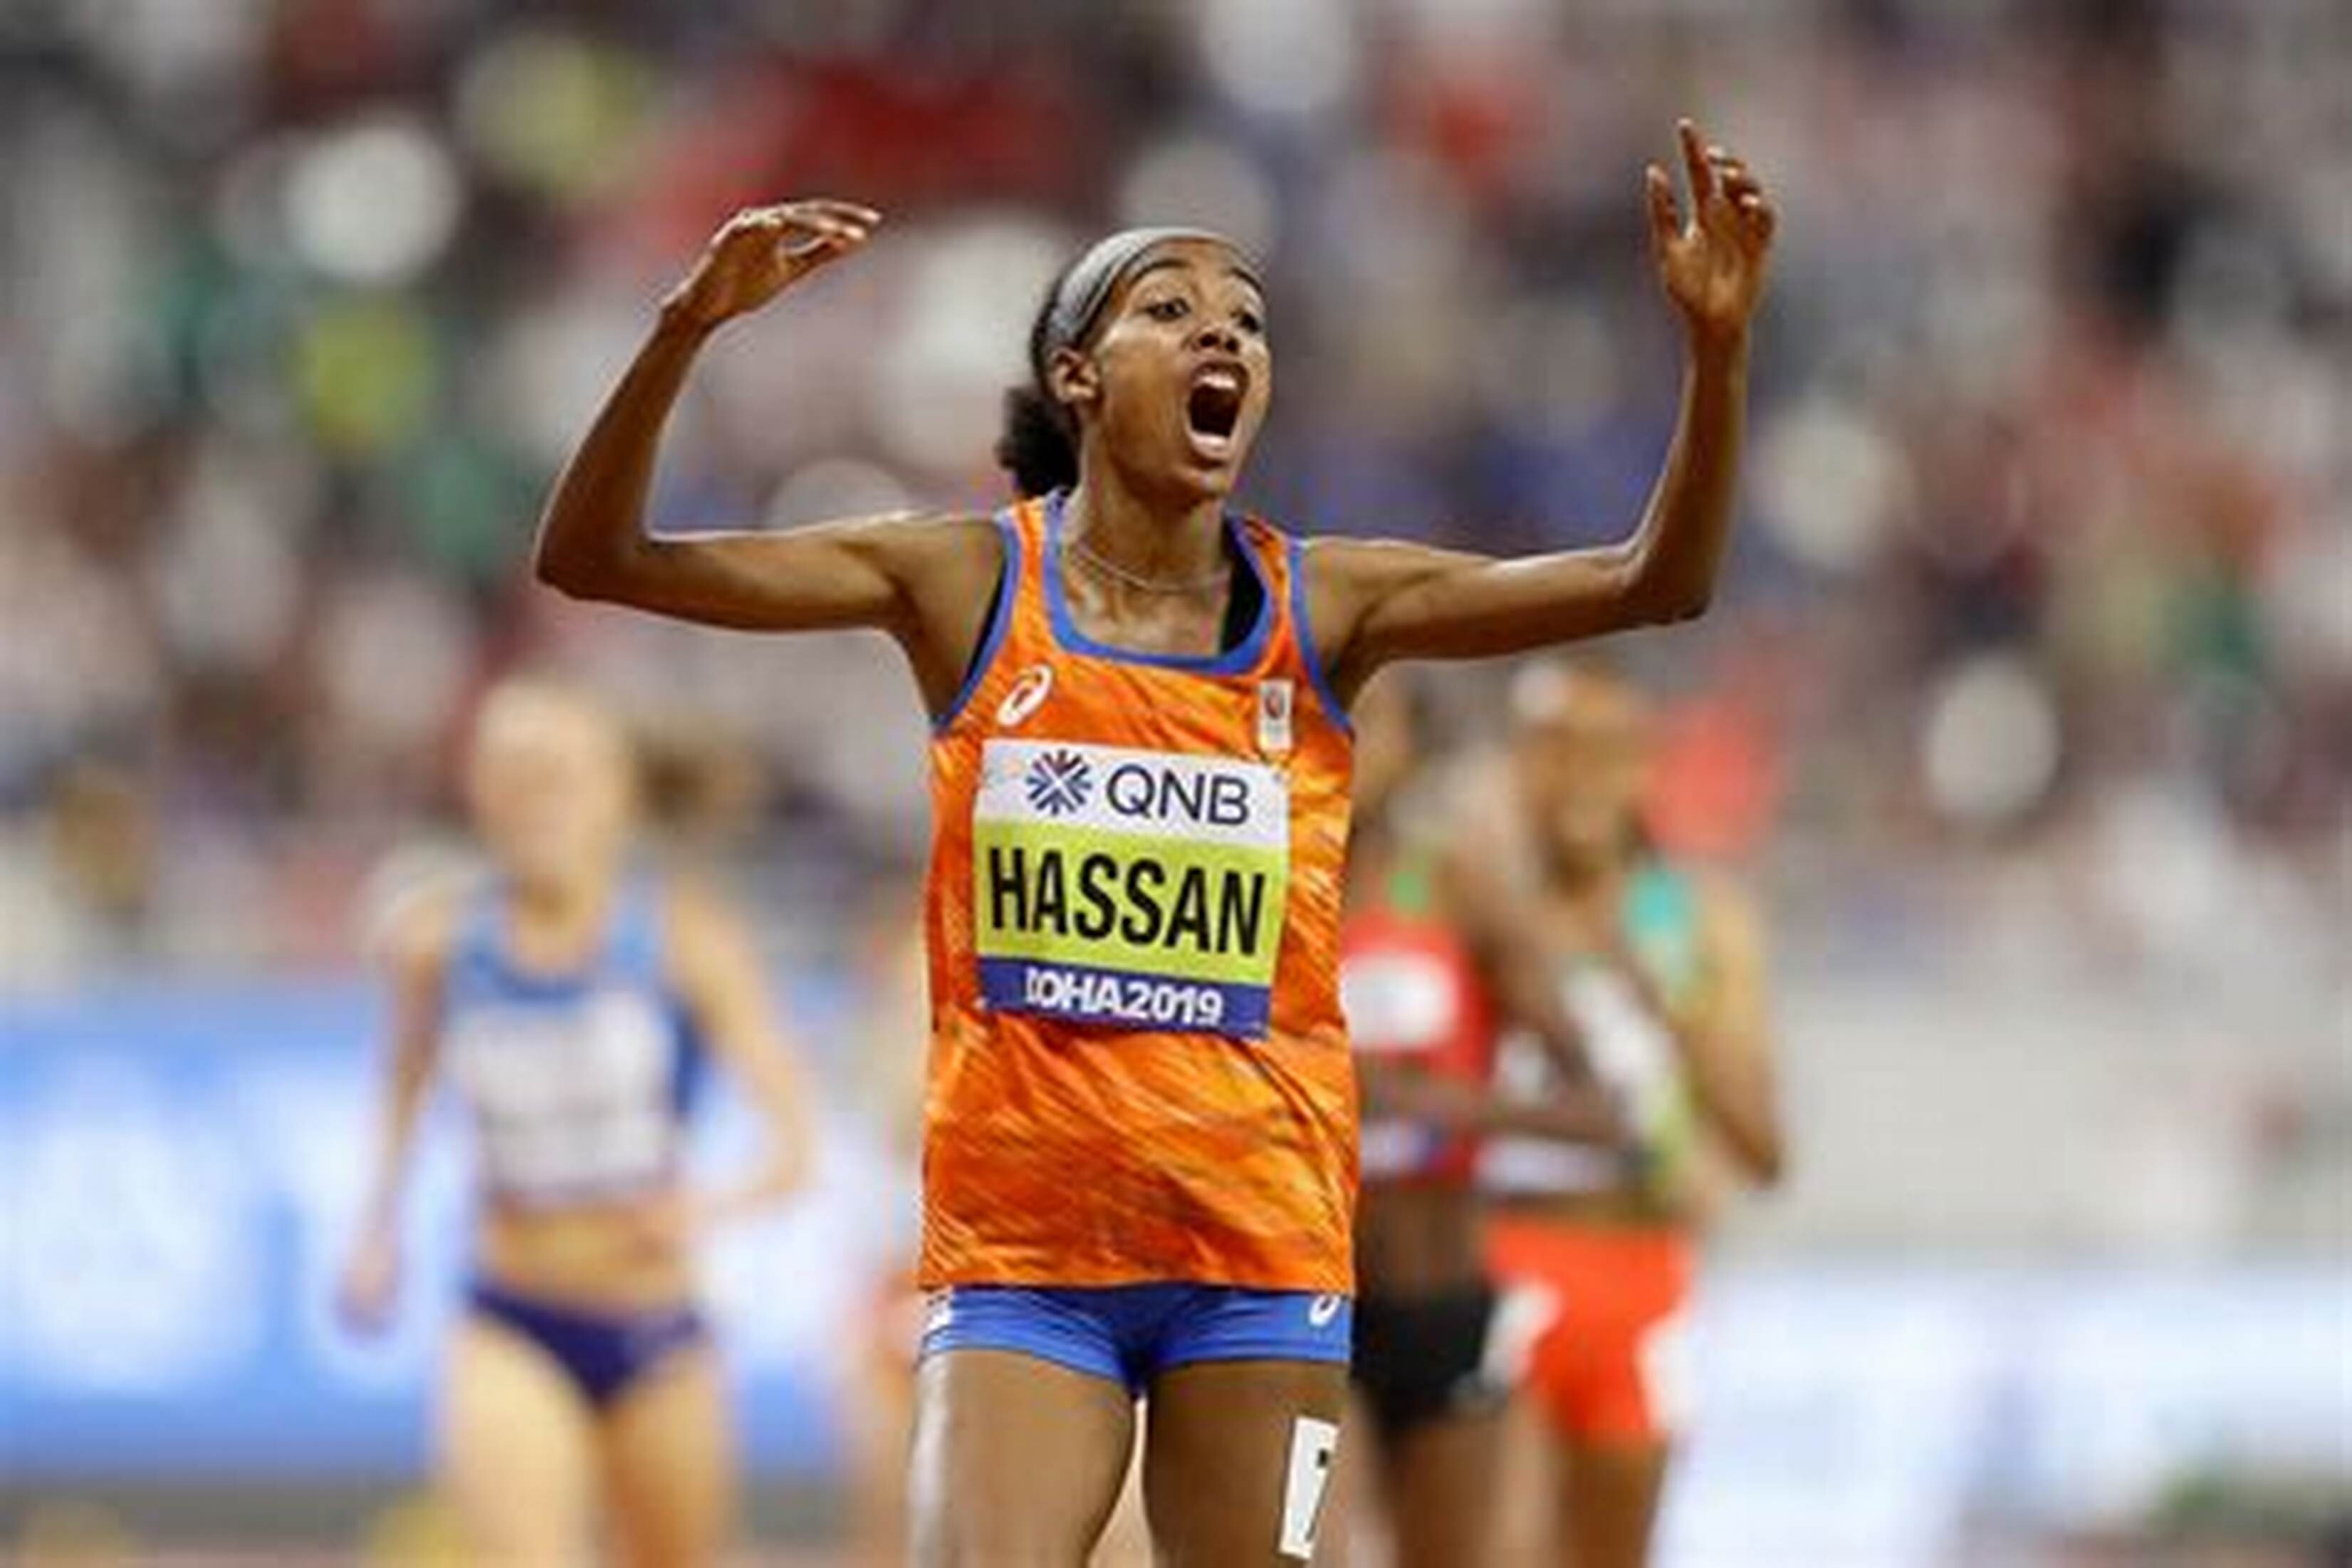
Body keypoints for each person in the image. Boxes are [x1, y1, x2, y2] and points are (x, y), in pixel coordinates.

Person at [532, 117, 1774, 1566]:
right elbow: (595, 557)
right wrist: (685, 326)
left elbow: (1654, 581)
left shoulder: (1327, 607)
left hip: (1260, 1261)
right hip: (1026, 1260)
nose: (1223, 334)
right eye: (1171, 309)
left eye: (1246, 319)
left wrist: (1716, 352)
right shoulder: (964, 580)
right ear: (1079, 375)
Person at [336, 679, 813, 1568]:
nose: (533, 802)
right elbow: (402, 1079)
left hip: (656, 1328)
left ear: (616, 794)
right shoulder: (437, 944)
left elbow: (795, 1149)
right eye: (510, 777)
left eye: (557, 777)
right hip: (510, 1314)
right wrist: (376, 1229)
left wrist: (705, 1209)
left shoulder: (685, 940)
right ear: (477, 794)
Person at [1478, 662, 1785, 1568]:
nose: (1577, 777)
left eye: (1604, 752)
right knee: (1505, 1545)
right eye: (1552, 749)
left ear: (1643, 769)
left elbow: (1765, 1149)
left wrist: (1667, 1001)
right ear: (1517, 765)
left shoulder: (1693, 920)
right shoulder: (1479, 905)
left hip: (1644, 1271)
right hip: (1502, 1257)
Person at [1336, 671, 1628, 1568]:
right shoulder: (1264, 890)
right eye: (1329, 711)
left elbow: (1600, 1112)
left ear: (1413, 747)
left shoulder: (1458, 889)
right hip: (1308, 1304)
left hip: (1444, 1299)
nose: (1347, 742)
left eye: (1371, 720)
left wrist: (1434, 1107)